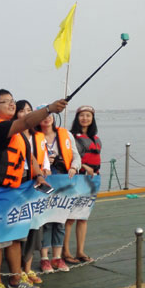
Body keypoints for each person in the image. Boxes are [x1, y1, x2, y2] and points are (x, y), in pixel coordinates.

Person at [0, 89, 66, 288]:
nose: (11, 104)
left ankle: (16, 278)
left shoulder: (16, 134)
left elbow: (29, 157)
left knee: (15, 238)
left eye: (13, 101)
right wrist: (49, 109)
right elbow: (26, 121)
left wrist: (39, 175)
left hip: (15, 192)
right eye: (6, 101)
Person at [36, 111, 81, 273]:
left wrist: (74, 167)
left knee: (60, 221)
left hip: (63, 180)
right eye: (42, 115)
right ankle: (44, 258)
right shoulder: (35, 137)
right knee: (46, 221)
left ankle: (57, 257)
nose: (47, 118)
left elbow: (76, 156)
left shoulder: (65, 134)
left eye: (49, 115)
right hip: (44, 181)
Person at [12, 100, 49, 285]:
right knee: (20, 224)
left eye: (28, 110)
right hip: (20, 181)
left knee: (36, 225)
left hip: (36, 181)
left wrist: (44, 171)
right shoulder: (13, 135)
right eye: (21, 110)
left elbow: (43, 157)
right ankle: (17, 269)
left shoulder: (38, 136)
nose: (25, 113)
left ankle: (27, 267)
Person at [63, 105, 101, 264]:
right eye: (82, 115)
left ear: (92, 119)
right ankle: (65, 252)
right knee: (70, 218)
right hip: (77, 179)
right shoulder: (71, 137)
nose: (85, 118)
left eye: (88, 115)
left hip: (91, 181)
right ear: (77, 118)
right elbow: (69, 158)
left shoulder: (95, 138)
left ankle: (80, 251)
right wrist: (84, 166)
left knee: (83, 217)